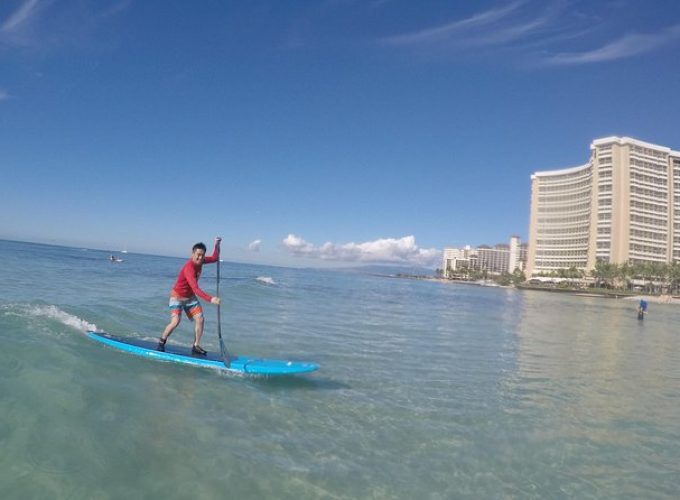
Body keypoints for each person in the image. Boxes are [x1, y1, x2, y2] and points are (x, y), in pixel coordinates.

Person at [157, 237, 221, 354]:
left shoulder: (201, 261)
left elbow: (215, 258)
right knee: (175, 321)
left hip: (190, 298)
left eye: (202, 255)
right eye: (198, 254)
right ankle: (162, 341)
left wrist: (217, 244)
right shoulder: (189, 268)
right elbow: (195, 288)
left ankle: (196, 345)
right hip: (177, 297)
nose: (200, 257)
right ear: (192, 253)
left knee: (200, 319)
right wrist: (210, 299)